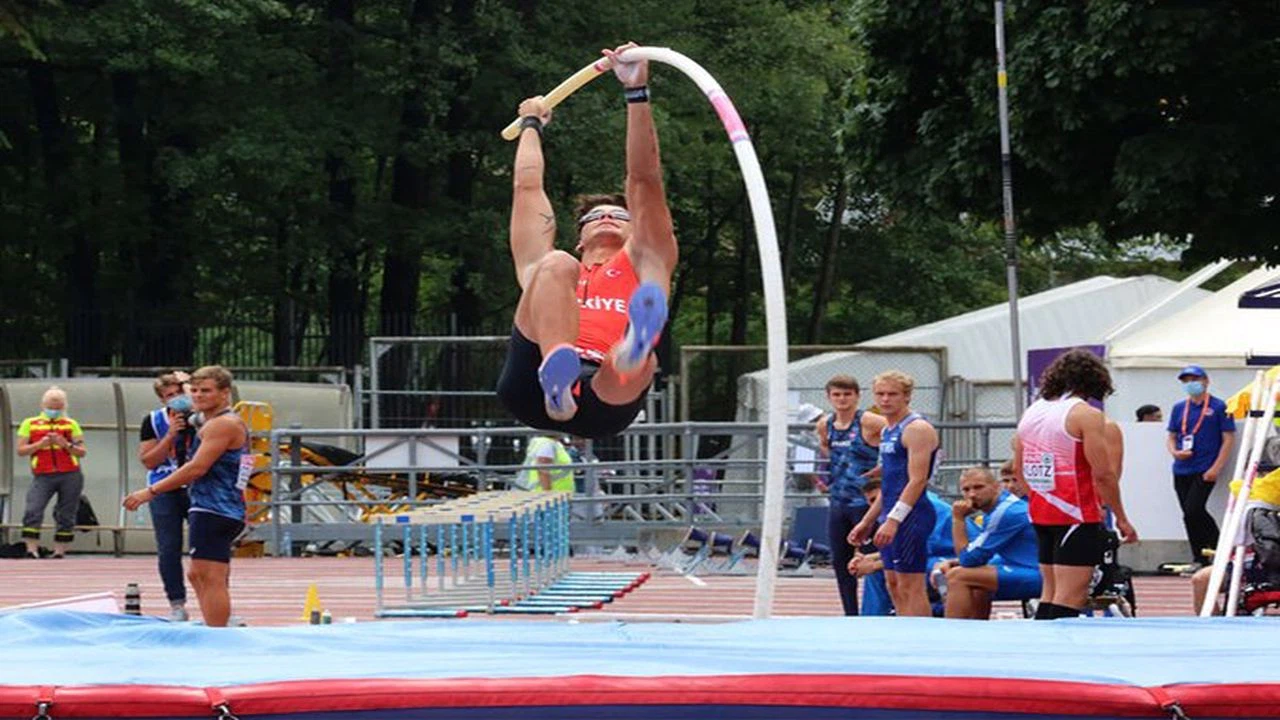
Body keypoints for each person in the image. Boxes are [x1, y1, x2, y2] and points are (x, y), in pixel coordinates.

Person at [495, 42, 677, 440]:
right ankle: (559, 379)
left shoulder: (647, 259)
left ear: (635, 231)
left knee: (633, 363)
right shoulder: (557, 266)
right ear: (580, 238)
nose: (609, 217)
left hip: (607, 396)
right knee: (552, 265)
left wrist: (636, 93)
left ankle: (632, 349)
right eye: (596, 216)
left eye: (620, 216)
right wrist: (531, 126)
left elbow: (644, 180)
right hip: (529, 385)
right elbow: (527, 188)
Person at [1015, 349, 1137, 620]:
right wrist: (1121, 518)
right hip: (1076, 513)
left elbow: (1018, 468)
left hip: (1042, 510)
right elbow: (1104, 474)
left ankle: (1041, 648)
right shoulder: (1086, 415)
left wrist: (1040, 493)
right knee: (1071, 594)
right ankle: (1059, 653)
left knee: (1050, 590)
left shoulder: (1033, 412)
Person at [123, 366, 248, 628]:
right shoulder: (208, 420)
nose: (198, 396)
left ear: (225, 394)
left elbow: (196, 468)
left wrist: (150, 491)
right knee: (197, 574)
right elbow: (189, 417)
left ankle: (218, 632)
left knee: (210, 576)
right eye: (196, 391)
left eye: (207, 391)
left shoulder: (223, 424)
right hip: (208, 505)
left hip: (217, 508)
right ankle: (214, 623)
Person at [850, 370, 940, 617]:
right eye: (880, 394)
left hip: (912, 515)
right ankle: (904, 632)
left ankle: (920, 636)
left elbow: (917, 480)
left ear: (907, 396)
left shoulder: (916, 429)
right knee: (893, 584)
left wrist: (893, 520)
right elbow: (889, 483)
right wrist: (867, 521)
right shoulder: (887, 431)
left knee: (911, 585)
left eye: (892, 394)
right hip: (890, 511)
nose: (885, 400)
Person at [814, 374, 884, 615]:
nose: (842, 399)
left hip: (866, 502)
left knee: (873, 560)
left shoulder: (870, 422)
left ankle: (880, 609)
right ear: (829, 397)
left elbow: (898, 438)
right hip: (839, 501)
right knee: (841, 562)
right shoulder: (826, 424)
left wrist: (882, 468)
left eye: (847, 394)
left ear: (856, 396)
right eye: (837, 394)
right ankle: (850, 614)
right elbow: (826, 449)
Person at [935, 467, 1041, 619]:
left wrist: (958, 519)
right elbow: (981, 557)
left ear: (996, 486)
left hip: (1040, 575)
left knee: (958, 576)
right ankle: (979, 632)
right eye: (966, 489)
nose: (972, 494)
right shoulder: (1001, 508)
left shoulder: (1005, 512)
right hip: (1031, 568)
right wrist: (955, 561)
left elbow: (968, 560)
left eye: (979, 487)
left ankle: (955, 635)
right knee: (976, 579)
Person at [137, 371, 196, 620]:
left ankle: (216, 599)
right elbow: (149, 461)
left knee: (206, 547)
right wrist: (170, 435)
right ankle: (177, 603)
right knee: (169, 547)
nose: (177, 399)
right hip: (164, 487)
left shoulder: (205, 416)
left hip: (198, 487)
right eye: (170, 396)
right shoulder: (153, 421)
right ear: (163, 400)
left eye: (180, 392)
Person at [1167, 365, 1236, 571]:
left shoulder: (1219, 407)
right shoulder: (1179, 408)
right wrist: (1175, 452)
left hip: (1205, 468)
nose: (1191, 384)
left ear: (1206, 381)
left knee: (1194, 509)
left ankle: (1220, 549)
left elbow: (1228, 439)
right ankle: (1199, 557)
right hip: (1181, 468)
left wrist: (1217, 467)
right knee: (1189, 514)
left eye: (1194, 379)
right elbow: (1171, 435)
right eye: (1186, 381)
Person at [16, 386, 88, 559]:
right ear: (43, 405)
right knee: (34, 508)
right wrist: (39, 445)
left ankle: (59, 551)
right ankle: (31, 549)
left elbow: (82, 451)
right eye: (50, 407)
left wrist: (65, 444)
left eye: (58, 408)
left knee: (66, 512)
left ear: (63, 407)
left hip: (70, 473)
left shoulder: (71, 424)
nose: (54, 411)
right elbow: (21, 450)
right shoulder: (30, 423)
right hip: (43, 473)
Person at [847, 479, 893, 616]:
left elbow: (918, 554)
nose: (872, 507)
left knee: (878, 572)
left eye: (875, 500)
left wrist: (873, 566)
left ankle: (872, 621)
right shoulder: (885, 517)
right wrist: (866, 558)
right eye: (869, 503)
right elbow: (896, 551)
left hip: (939, 558)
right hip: (924, 556)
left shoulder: (916, 510)